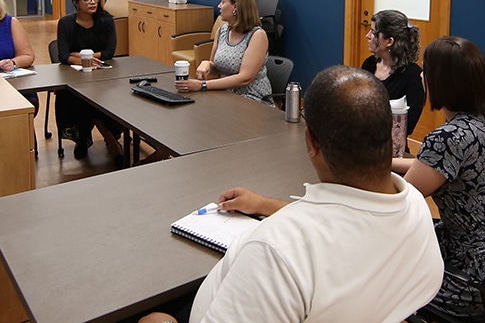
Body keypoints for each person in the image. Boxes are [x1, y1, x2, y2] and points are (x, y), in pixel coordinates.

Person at [142, 66, 444, 323]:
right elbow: (341, 219)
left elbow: (306, 241)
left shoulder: (277, 251)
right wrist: (264, 204)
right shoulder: (416, 206)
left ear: (310, 141)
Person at [391, 36, 485, 318]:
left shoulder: (447, 138)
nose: (422, 76)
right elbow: (431, 166)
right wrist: (388, 163)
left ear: (442, 82)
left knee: (388, 273)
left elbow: (402, 196)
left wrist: (363, 170)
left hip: (474, 274)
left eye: (426, 70)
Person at [53, 0, 124, 162]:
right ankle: (97, 141)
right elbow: (62, 55)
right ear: (76, 3)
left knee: (99, 98)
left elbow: (110, 52)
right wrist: (82, 60)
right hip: (74, 76)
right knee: (79, 98)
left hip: (103, 75)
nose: (92, 2)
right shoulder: (66, 23)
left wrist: (86, 56)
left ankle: (96, 140)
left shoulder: (106, 20)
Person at [173, 0, 272, 105]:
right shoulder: (222, 31)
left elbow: (244, 78)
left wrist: (203, 85)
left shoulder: (257, 35)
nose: (219, 6)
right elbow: (217, 66)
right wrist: (207, 64)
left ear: (235, 7)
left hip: (252, 98)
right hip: (225, 94)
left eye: (223, 2)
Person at [360, 9, 425, 138]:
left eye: (373, 32)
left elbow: (407, 127)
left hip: (390, 145)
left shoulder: (413, 76)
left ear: (389, 41)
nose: (367, 36)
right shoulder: (369, 64)